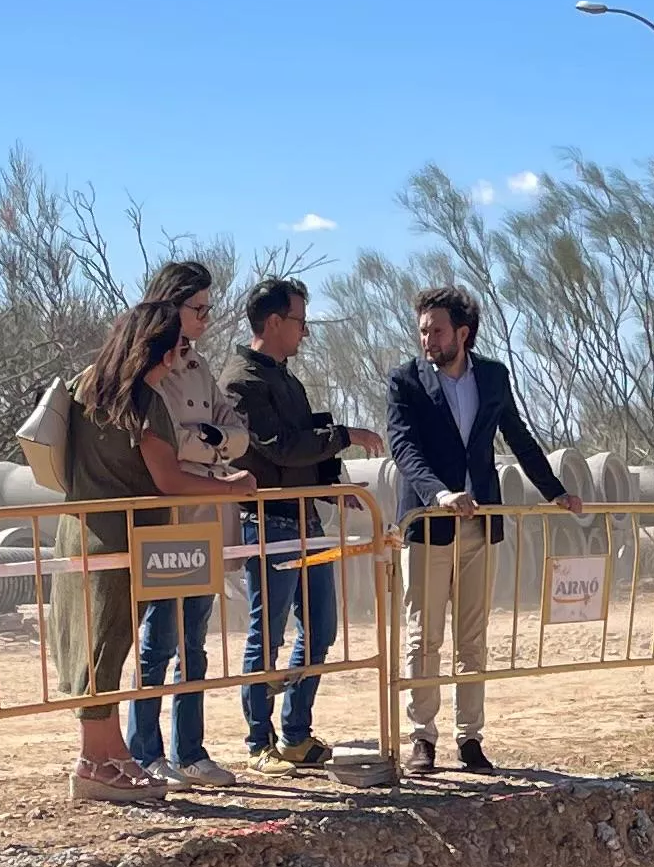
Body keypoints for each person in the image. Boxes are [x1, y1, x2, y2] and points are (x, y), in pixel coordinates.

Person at [17, 291, 230, 807]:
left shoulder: (85, 386)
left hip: (80, 529)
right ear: (157, 351)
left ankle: (109, 755)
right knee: (106, 648)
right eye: (176, 348)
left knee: (93, 647)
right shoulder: (143, 402)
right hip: (122, 538)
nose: (182, 358)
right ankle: (96, 763)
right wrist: (232, 487)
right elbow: (169, 478)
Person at [381, 285, 579, 776]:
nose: (427, 338)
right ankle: (421, 739)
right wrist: (439, 494)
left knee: (473, 640)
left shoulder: (492, 377)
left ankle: (470, 739)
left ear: (462, 333)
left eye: (437, 330)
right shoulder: (404, 381)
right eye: (423, 329)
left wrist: (554, 491)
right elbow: (404, 449)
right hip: (428, 526)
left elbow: (519, 438)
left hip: (481, 526)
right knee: (422, 638)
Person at [220, 276, 380, 770]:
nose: (305, 333)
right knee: (266, 635)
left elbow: (302, 439)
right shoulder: (241, 382)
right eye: (300, 322)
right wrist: (345, 435)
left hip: (306, 518)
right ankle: (258, 741)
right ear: (274, 322)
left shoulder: (285, 377)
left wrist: (333, 482)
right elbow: (281, 447)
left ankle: (296, 733)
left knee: (320, 627)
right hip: (268, 521)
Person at [124, 263, 252, 786]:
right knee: (158, 641)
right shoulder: (145, 369)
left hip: (205, 516)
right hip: (166, 514)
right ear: (171, 306)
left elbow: (239, 432)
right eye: (197, 308)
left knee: (195, 640)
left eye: (207, 308)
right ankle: (144, 752)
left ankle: (191, 750)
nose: (204, 318)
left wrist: (213, 440)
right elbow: (165, 444)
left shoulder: (199, 366)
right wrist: (208, 441)